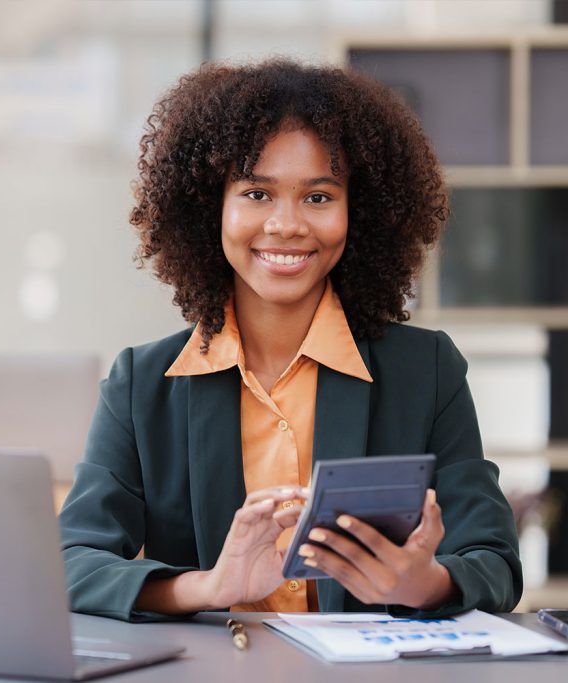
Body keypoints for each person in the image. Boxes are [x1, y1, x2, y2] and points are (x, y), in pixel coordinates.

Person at [58, 59, 522, 620]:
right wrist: (209, 587)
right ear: (211, 207)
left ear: (360, 212)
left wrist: (421, 583)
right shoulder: (141, 385)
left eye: (319, 197)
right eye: (257, 193)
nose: (287, 225)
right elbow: (72, 563)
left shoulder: (427, 372)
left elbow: (493, 562)